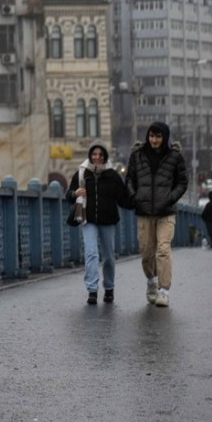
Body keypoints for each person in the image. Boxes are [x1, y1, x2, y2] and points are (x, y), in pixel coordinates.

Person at [125, 122, 188, 307]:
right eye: (152, 136)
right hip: (144, 212)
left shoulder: (175, 157)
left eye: (158, 136)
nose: (154, 140)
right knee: (146, 253)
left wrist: (171, 197)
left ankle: (163, 291)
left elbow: (182, 182)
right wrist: (135, 196)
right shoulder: (137, 155)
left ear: (165, 137)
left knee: (163, 250)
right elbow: (129, 179)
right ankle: (151, 282)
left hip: (166, 212)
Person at [68, 142, 127, 304]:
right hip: (88, 219)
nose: (97, 157)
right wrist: (75, 193)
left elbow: (123, 199)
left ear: (105, 157)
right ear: (90, 155)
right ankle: (92, 290)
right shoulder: (81, 173)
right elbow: (69, 195)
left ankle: (109, 288)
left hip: (108, 219)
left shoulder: (112, 175)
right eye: (94, 154)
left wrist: (138, 201)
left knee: (108, 256)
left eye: (100, 155)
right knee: (91, 253)